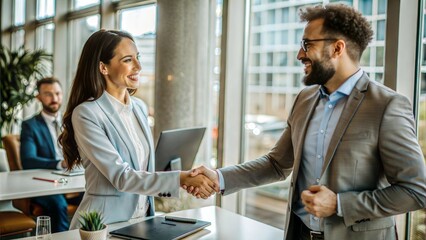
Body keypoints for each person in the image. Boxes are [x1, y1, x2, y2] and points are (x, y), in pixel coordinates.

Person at [187, 4, 426, 240]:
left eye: (307, 44)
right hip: (299, 233)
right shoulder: (305, 98)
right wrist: (220, 177)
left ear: (337, 48)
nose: (300, 54)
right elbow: (276, 164)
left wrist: (340, 204)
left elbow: (416, 191)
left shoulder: (386, 106)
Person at [59, 29, 216, 230]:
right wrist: (179, 178)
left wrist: (185, 178)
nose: (138, 66)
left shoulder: (139, 107)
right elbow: (121, 177)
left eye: (137, 58)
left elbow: (144, 169)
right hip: (103, 224)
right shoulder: (86, 113)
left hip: (141, 221)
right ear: (103, 68)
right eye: (127, 60)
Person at [20, 77, 71, 232]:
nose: (54, 99)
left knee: (95, 198)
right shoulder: (30, 125)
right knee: (58, 205)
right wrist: (60, 163)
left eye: (57, 93)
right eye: (48, 94)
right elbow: (28, 160)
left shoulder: (72, 122)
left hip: (74, 180)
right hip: (45, 184)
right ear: (38, 97)